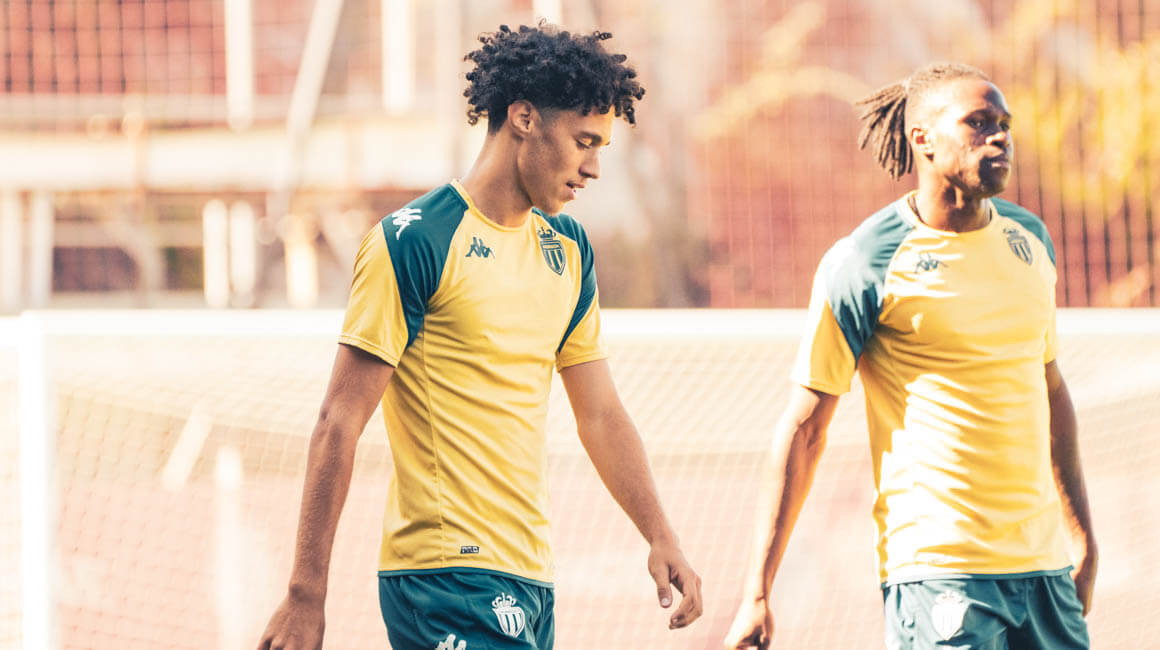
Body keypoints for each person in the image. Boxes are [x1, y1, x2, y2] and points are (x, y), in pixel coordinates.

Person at [258, 23, 702, 650]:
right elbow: (340, 419)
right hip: (444, 576)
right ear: (524, 118)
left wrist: (660, 534)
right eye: (584, 142)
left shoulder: (568, 249)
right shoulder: (414, 240)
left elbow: (600, 414)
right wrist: (306, 594)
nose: (594, 168)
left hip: (530, 577)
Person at [724, 63, 1097, 650]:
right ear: (922, 138)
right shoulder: (864, 261)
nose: (1000, 137)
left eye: (1004, 124)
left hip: (1044, 572)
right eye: (978, 123)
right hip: (939, 572)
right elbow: (806, 430)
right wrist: (758, 591)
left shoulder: (1031, 242)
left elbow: (1049, 390)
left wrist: (1085, 543)